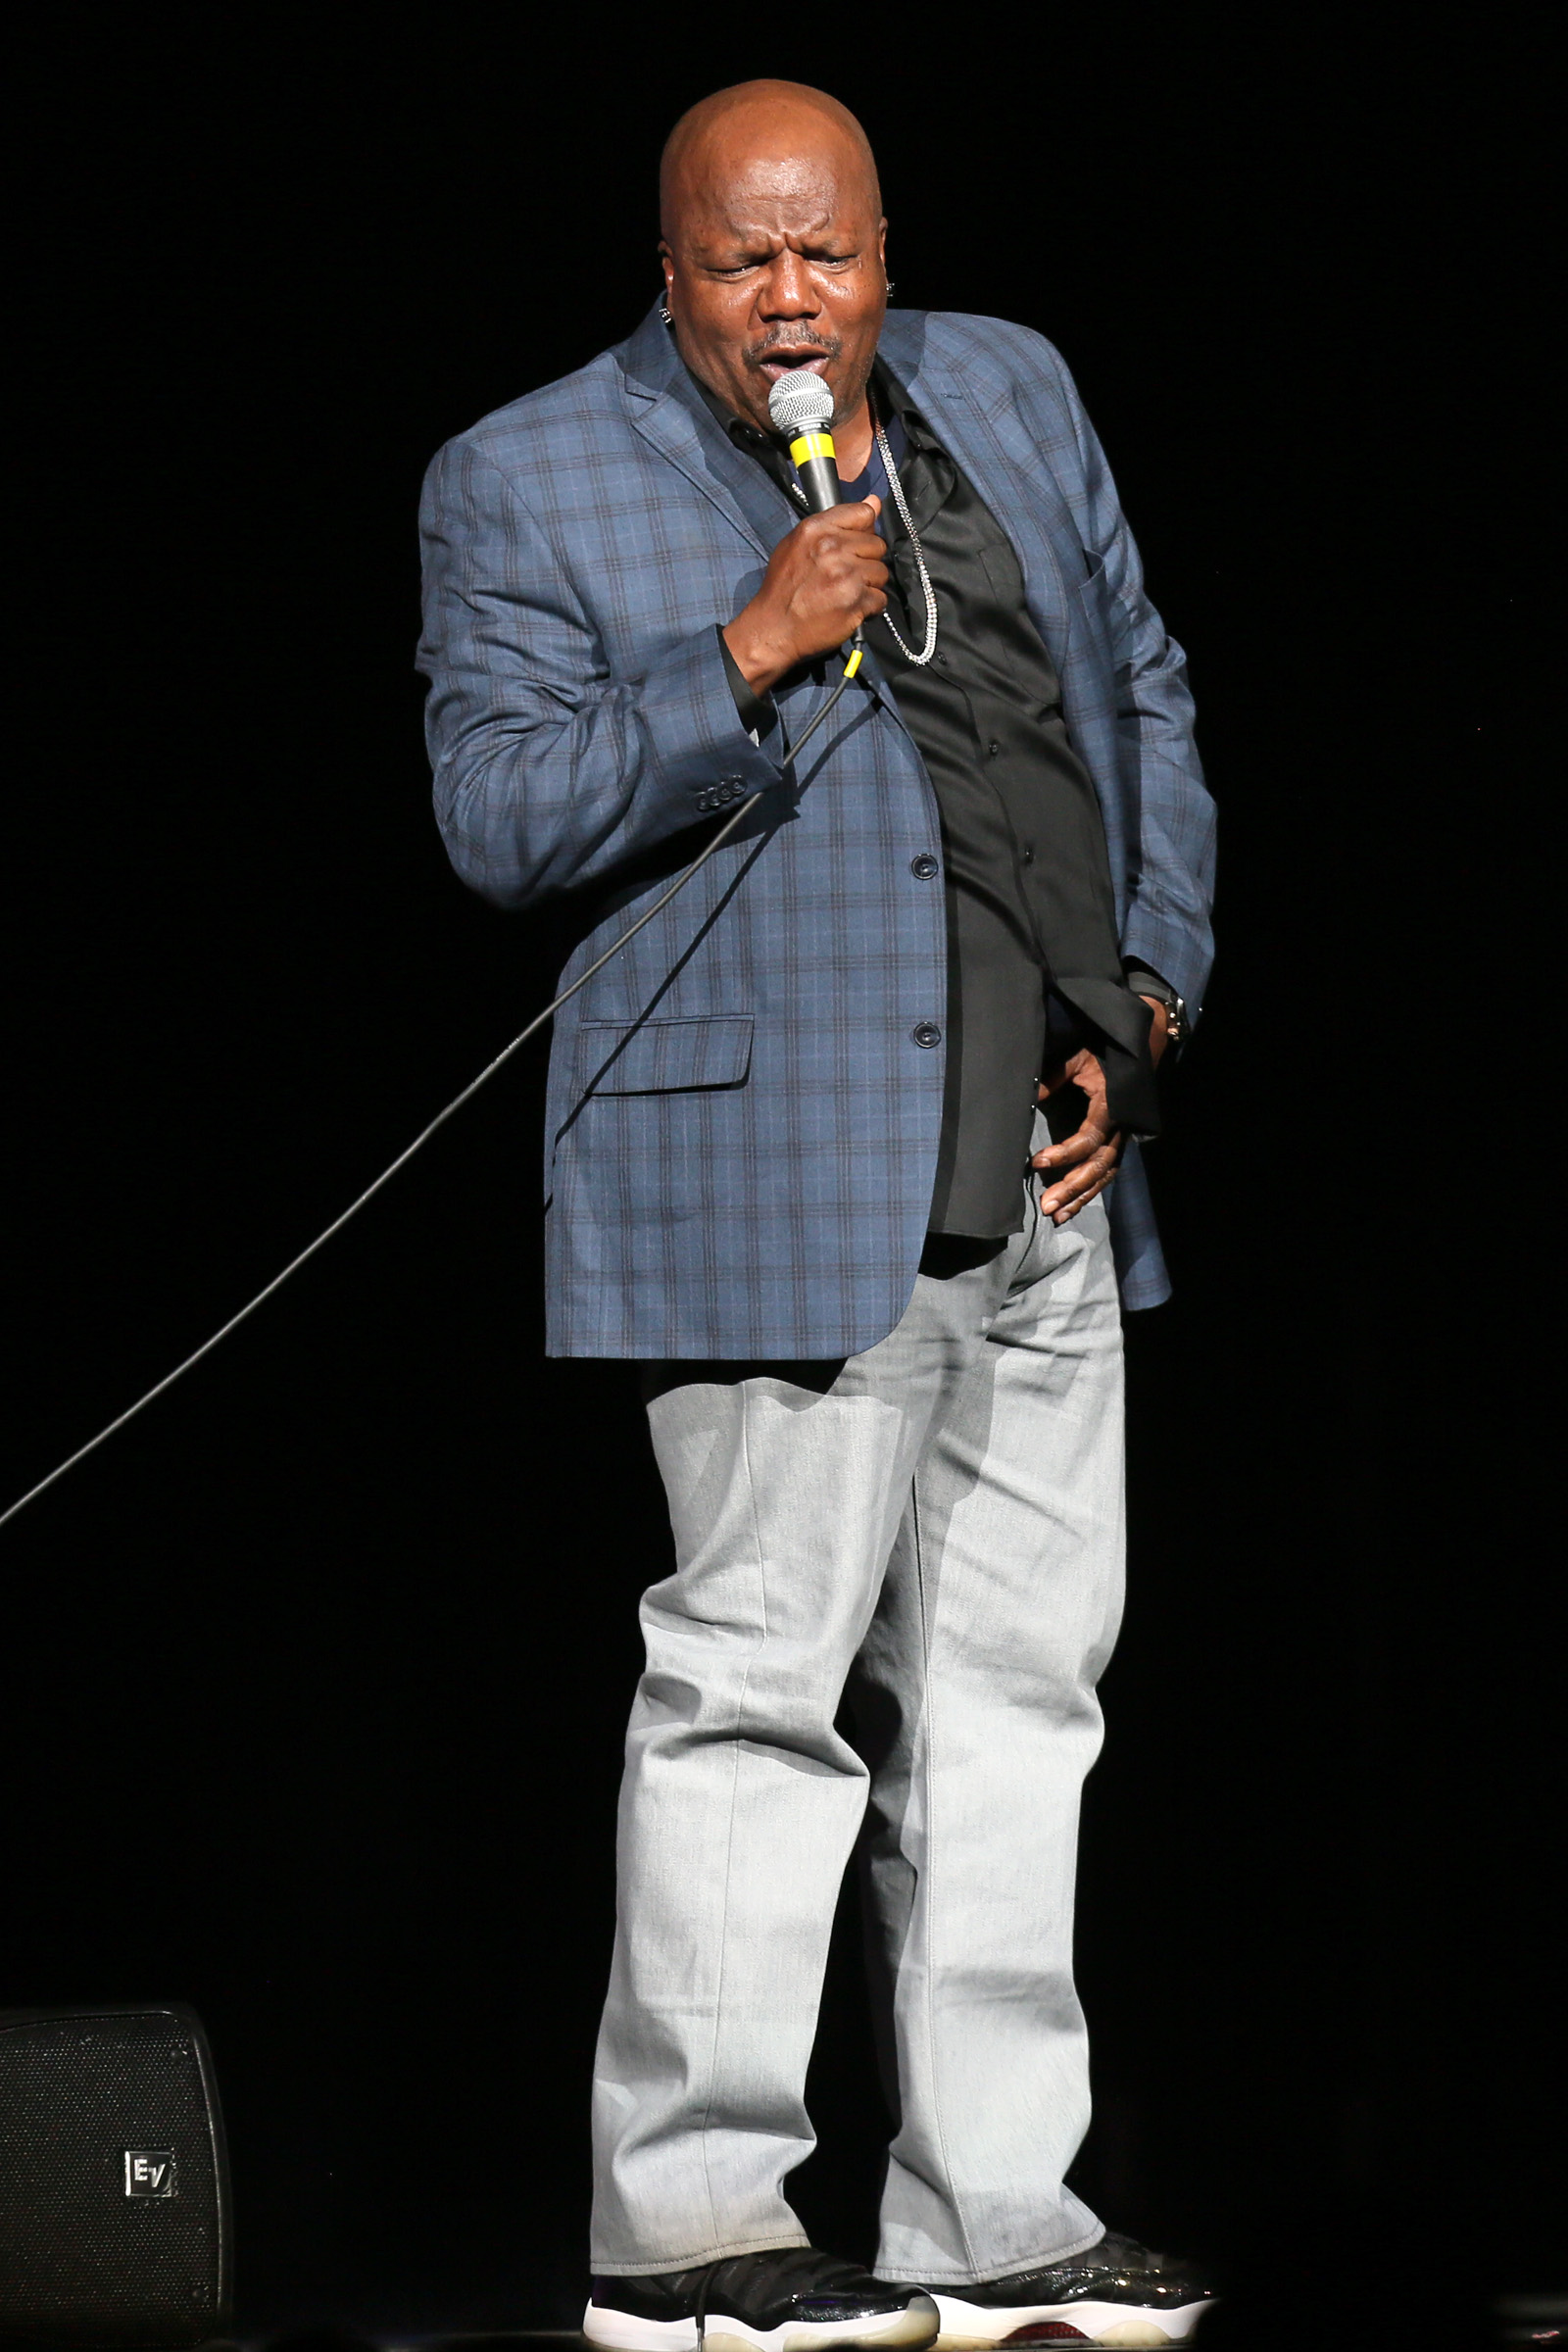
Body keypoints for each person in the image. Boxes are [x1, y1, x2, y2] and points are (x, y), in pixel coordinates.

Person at [418, 78, 1217, 2352]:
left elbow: (1136, 686)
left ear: (883, 251)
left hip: (1046, 1162)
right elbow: (495, 814)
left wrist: (1144, 989)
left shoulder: (1011, 384)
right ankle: (688, 2238)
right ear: (666, 268)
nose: (791, 302)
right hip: (775, 1180)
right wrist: (743, 649)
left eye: (826, 255)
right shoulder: (522, 472)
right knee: (754, 1698)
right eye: (739, 261)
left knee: (1018, 1702)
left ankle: (996, 2213)